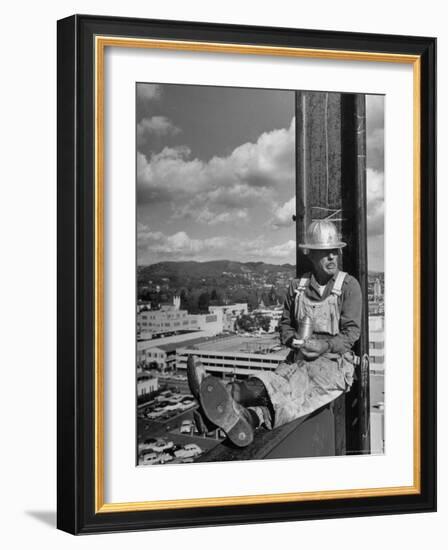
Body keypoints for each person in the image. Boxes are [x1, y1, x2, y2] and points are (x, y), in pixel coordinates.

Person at [187, 219, 362, 448]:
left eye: (334, 252)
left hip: (332, 365)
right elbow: (285, 326)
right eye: (324, 252)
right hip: (299, 359)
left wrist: (325, 346)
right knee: (278, 387)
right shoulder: (297, 287)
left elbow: (351, 333)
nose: (332, 257)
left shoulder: (348, 286)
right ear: (310, 254)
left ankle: (224, 395)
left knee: (286, 390)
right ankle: (247, 419)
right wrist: (294, 340)